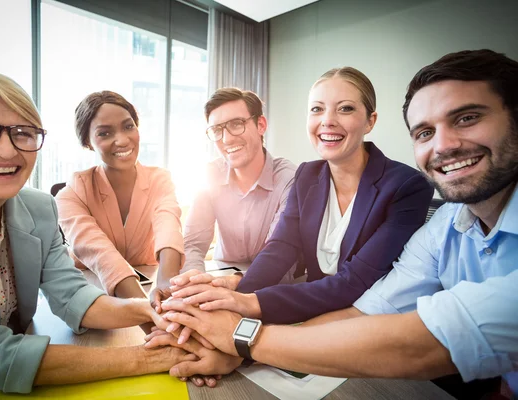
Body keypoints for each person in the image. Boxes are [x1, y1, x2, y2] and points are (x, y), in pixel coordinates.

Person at [153, 49, 518, 398]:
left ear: (370, 121)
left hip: (379, 342)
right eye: (425, 132)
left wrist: (242, 326)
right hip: (332, 321)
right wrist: (234, 304)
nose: (444, 145)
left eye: (467, 118)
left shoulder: (406, 185)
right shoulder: (445, 224)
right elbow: (296, 259)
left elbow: (367, 295)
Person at [0, 71, 229, 398]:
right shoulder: (69, 192)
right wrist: (166, 356)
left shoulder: (38, 208)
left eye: (22, 133)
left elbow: (72, 295)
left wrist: (147, 310)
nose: (7, 151)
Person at [169, 67, 433, 328]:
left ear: (370, 121)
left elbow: (355, 282)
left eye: (345, 108)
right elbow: (280, 248)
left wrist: (248, 303)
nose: (327, 120)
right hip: (309, 311)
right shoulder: (307, 175)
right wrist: (232, 299)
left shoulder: (407, 186)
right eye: (317, 109)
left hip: (366, 323)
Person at [55, 91, 184, 312]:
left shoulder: (160, 179)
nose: (122, 140)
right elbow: (101, 254)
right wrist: (150, 314)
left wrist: (167, 282)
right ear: (88, 141)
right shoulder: (71, 194)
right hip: (94, 292)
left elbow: (168, 224)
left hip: (150, 285)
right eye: (105, 133)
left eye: (128, 126)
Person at [182, 88, 297, 279]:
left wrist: (232, 287)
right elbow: (193, 244)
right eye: (217, 130)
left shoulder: (289, 179)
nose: (226, 139)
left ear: (260, 125)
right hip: (220, 278)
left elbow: (277, 254)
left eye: (236, 124)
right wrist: (194, 279)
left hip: (272, 287)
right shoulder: (210, 174)